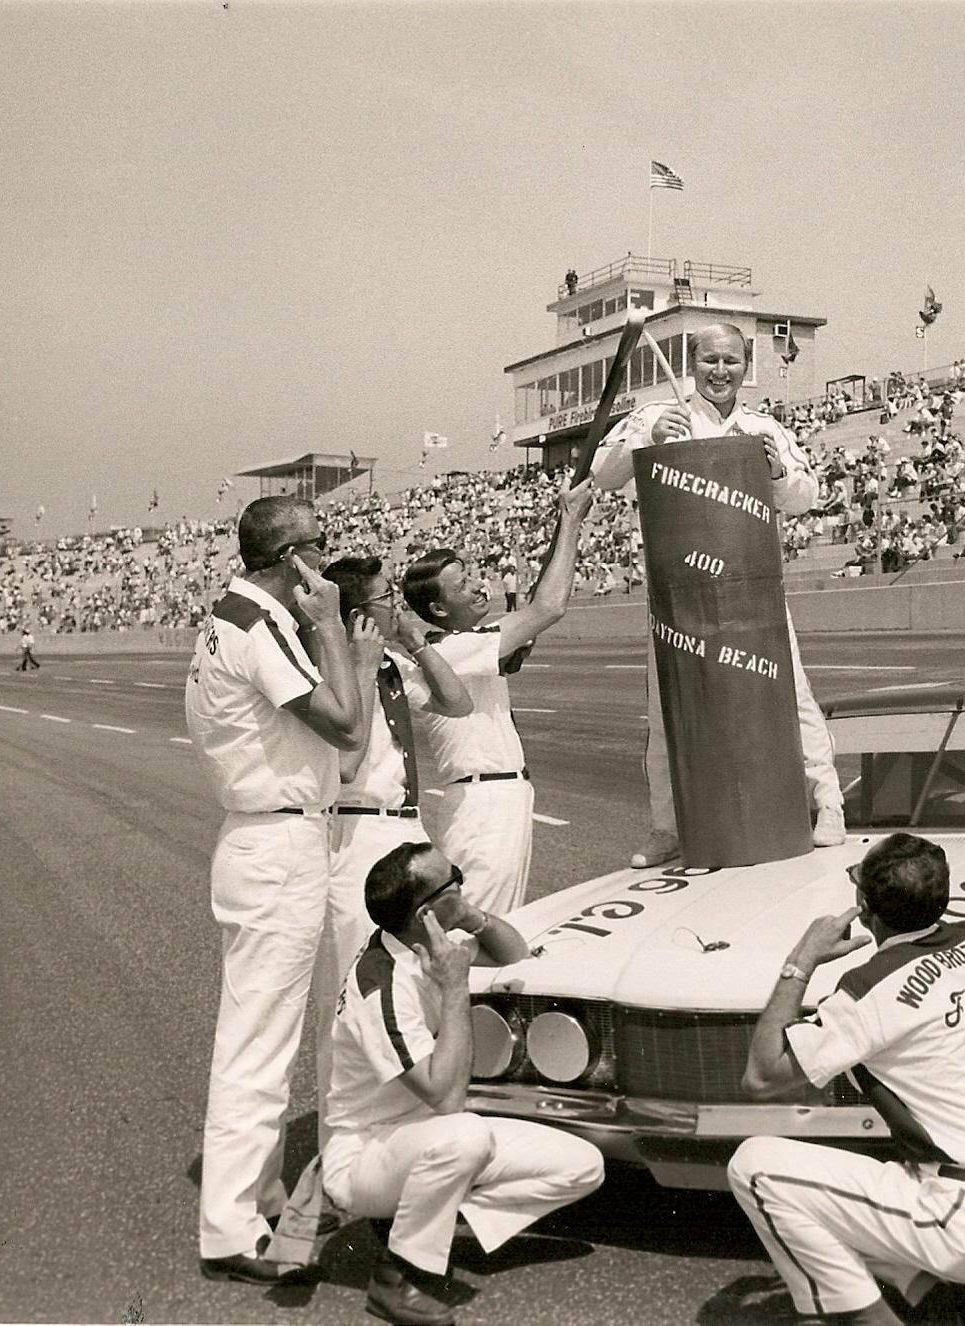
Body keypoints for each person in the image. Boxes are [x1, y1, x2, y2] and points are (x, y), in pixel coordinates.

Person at [730, 834, 965, 1326]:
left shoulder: (868, 990)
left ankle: (870, 1319)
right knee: (841, 1206)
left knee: (755, 1167)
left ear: (864, 907)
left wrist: (802, 960)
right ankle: (961, 1299)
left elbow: (761, 1076)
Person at [185, 495, 373, 1283]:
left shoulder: (233, 616)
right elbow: (345, 723)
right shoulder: (259, 623)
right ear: (292, 558)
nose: (326, 563)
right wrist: (331, 626)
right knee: (258, 1041)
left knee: (259, 1034)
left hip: (266, 835)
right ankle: (230, 1228)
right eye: (318, 548)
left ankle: (250, 1197)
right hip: (277, 838)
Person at [590, 323, 846, 867]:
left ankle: (828, 805)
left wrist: (775, 472)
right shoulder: (654, 415)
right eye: (710, 360)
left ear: (745, 363)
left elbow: (805, 496)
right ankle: (666, 826)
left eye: (731, 360)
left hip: (753, 592)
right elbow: (602, 473)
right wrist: (649, 435)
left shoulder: (763, 426)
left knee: (793, 698)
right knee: (667, 709)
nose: (720, 371)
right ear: (693, 361)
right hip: (679, 593)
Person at [323, 843, 606, 1325]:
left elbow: (514, 954)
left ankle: (419, 1224)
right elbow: (447, 1097)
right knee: (466, 1134)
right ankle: (399, 1276)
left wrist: (470, 915)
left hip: (426, 1138)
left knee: (583, 1166)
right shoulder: (381, 984)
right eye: (455, 879)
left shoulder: (422, 943)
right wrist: (456, 986)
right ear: (427, 911)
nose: (463, 880)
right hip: (365, 1153)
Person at [316, 556, 474, 1130]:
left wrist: (413, 640)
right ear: (360, 614)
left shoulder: (387, 663)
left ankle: (416, 1115)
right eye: (387, 599)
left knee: (424, 972)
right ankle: (346, 1142)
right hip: (356, 828)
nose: (397, 605)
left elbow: (458, 703)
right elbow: (346, 762)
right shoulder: (330, 666)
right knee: (359, 991)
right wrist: (357, 662)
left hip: (406, 824)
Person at [401, 475, 595, 915]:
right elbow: (549, 608)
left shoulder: (467, 641)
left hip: (494, 798)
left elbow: (532, 617)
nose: (478, 587)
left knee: (492, 922)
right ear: (438, 609)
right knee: (479, 927)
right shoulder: (451, 648)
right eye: (462, 584)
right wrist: (570, 521)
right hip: (484, 804)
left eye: (472, 576)